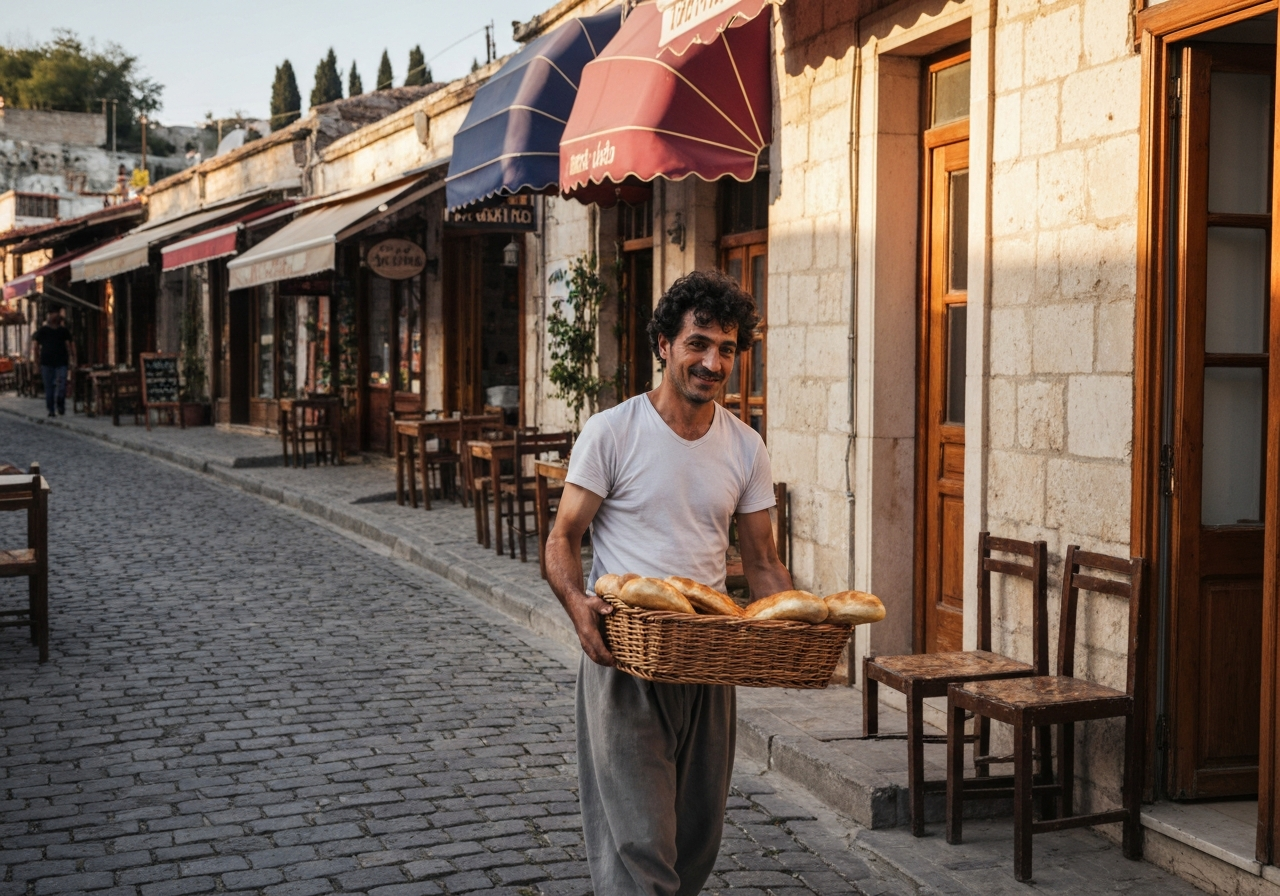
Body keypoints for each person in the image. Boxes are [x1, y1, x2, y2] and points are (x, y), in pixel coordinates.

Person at [545, 270, 792, 896]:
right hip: (627, 657)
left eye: (727, 350)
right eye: (698, 343)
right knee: (641, 847)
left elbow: (762, 561)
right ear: (664, 345)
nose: (713, 362)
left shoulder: (746, 447)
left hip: (707, 660)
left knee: (696, 837)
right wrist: (578, 606)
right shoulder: (613, 432)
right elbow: (562, 539)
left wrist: (792, 628)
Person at [31, 309, 75, 418]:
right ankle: (51, 409)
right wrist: (36, 362)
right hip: (46, 362)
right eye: (52, 313)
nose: (53, 316)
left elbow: (70, 345)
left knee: (62, 385)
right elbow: (36, 346)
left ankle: (60, 404)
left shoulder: (63, 331)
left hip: (61, 362)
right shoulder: (43, 331)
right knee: (49, 387)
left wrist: (73, 358)